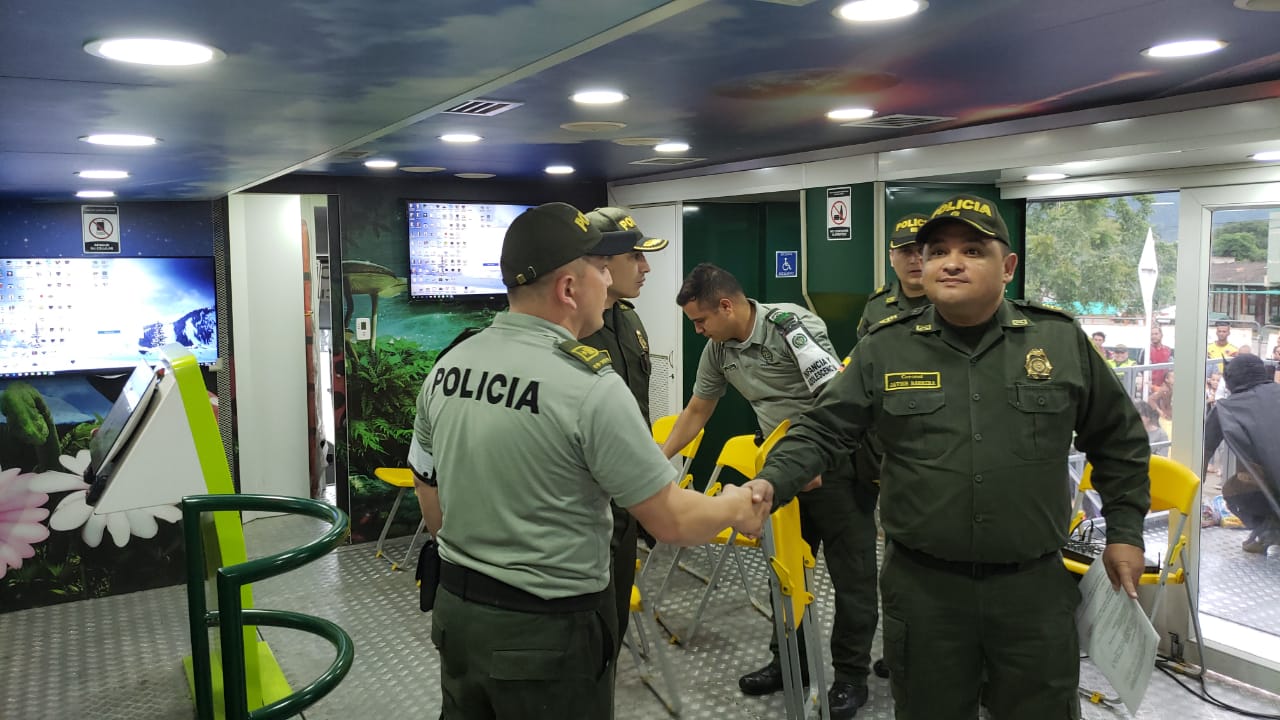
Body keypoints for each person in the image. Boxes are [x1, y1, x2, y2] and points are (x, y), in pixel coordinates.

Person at [746, 194, 1151, 720]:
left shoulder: (1059, 340)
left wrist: (1124, 531)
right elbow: (823, 429)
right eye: (937, 251)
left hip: (1032, 593)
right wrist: (770, 483)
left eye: (972, 250)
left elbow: (1118, 438)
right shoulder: (884, 348)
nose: (951, 262)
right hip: (925, 594)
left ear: (1007, 267)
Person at [408, 202, 767, 719]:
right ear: (569, 289)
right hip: (547, 636)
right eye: (600, 269)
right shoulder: (587, 387)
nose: (610, 277)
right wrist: (736, 506)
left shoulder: (450, 364)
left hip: (457, 616)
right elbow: (671, 520)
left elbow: (429, 487)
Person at [659, 263, 878, 719]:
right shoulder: (719, 350)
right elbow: (699, 409)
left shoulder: (790, 326)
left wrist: (812, 459)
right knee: (785, 575)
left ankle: (851, 678)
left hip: (832, 468)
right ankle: (789, 664)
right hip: (780, 473)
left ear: (726, 305)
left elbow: (835, 399)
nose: (698, 331)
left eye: (701, 321)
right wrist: (659, 458)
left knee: (851, 578)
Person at [579, 205, 668, 664]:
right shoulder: (570, 333)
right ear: (601, 264)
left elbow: (638, 413)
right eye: (635, 257)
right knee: (586, 635)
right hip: (587, 508)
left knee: (611, 623)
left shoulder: (630, 321)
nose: (646, 267)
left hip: (627, 504)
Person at [1203, 354, 1280, 553]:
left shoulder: (1224, 409)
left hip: (1266, 490)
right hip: (1269, 489)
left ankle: (1268, 530)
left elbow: (1202, 455)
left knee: (1233, 489)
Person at [856, 213, 929, 336]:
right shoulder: (876, 305)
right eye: (906, 251)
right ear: (891, 257)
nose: (914, 260)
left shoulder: (955, 303)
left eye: (922, 251)